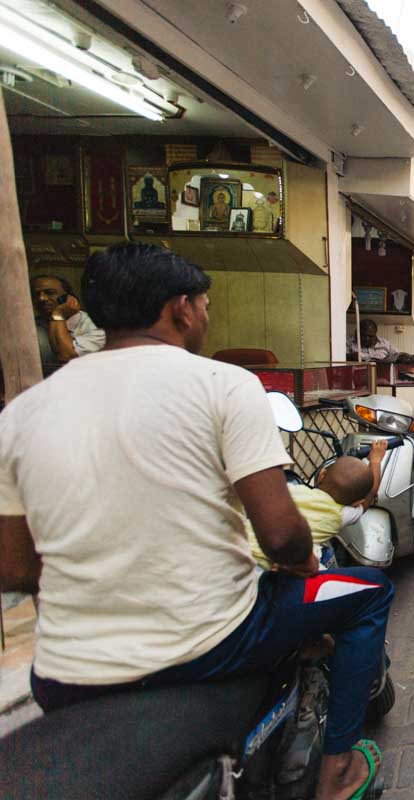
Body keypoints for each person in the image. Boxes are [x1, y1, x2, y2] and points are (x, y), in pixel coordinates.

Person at [0, 243, 394, 800]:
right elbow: (281, 535)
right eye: (205, 305)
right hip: (212, 641)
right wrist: (305, 565)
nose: (206, 317)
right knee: (372, 592)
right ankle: (338, 770)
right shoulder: (224, 386)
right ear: (181, 308)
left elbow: (15, 567)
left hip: (64, 673)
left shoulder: (22, 412)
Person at [247, 441, 386, 570]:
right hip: (270, 564)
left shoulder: (292, 490)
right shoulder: (341, 514)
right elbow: (371, 492)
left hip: (247, 547)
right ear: (357, 503)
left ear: (321, 476)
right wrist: (375, 460)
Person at [31, 274, 106, 375]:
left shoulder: (94, 325)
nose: (42, 298)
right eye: (36, 295)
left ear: (69, 297)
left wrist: (58, 315)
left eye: (50, 293)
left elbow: (66, 356)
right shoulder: (33, 326)